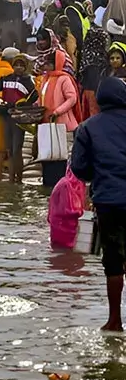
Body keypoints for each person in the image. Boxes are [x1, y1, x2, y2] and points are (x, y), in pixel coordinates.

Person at [71, 76, 126, 330]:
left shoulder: (87, 128)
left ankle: (114, 320)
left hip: (109, 202)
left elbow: (80, 169)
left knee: (113, 260)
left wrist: (100, 173)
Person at [0, 52, 39, 183]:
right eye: (16, 65)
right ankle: (10, 179)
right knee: (9, 149)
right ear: (13, 66)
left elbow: (34, 96)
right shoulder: (6, 79)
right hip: (6, 115)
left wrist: (24, 104)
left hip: (19, 119)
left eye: (21, 65)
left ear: (25, 67)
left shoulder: (28, 82)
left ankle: (18, 180)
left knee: (17, 149)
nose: (19, 68)